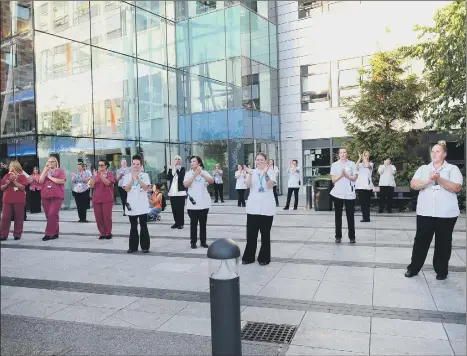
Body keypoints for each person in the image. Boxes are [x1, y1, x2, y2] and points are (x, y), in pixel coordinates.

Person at [405, 141, 463, 280]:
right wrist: (427, 181)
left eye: (438, 151)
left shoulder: (452, 169)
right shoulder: (424, 169)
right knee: (420, 241)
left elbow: (456, 187)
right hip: (425, 212)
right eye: (433, 151)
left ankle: (441, 271)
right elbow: (414, 184)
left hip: (446, 213)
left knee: (443, 242)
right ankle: (413, 268)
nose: (434, 154)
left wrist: (439, 179)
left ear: (444, 154)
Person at [242, 153, 277, 266]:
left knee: (265, 235)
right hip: (253, 207)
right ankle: (249, 257)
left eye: (262, 160)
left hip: (267, 208)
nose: (259, 162)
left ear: (266, 161)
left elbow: (269, 185)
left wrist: (265, 173)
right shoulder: (252, 171)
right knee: (251, 234)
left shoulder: (271, 171)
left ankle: (264, 258)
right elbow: (246, 185)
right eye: (257, 160)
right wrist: (250, 174)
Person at [184, 156, 214, 249]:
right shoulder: (188, 174)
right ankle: (193, 242)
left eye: (194, 161)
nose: (192, 163)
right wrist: (194, 175)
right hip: (192, 204)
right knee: (193, 224)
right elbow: (185, 184)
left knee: (203, 224)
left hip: (204, 203)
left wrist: (201, 173)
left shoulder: (204, 173)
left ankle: (203, 241)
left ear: (199, 163)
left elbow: (211, 181)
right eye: (191, 161)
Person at [123, 154, 151, 253]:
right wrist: (132, 179)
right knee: (133, 226)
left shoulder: (145, 175)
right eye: (134, 164)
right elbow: (126, 188)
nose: (135, 166)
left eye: (137, 164)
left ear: (141, 165)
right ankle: (133, 247)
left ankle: (145, 247)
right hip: (132, 205)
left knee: (143, 225)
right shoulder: (127, 176)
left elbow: (146, 188)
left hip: (142, 205)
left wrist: (138, 179)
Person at [330, 148, 358, 244]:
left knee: (350, 216)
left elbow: (354, 178)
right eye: (341, 152)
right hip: (338, 193)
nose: (342, 154)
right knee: (338, 216)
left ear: (347, 154)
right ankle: (338, 236)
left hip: (349, 193)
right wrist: (341, 175)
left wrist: (347, 175)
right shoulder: (334, 165)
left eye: (344, 152)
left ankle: (352, 237)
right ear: (338, 154)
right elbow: (333, 180)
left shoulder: (352, 164)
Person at [39, 155, 66, 241]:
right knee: (49, 215)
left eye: (52, 161)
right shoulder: (45, 170)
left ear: (56, 162)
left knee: (52, 214)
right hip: (46, 195)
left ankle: (48, 233)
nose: (50, 163)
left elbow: (61, 181)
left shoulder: (60, 171)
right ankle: (55, 232)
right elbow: (40, 181)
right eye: (49, 162)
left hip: (57, 196)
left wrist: (50, 177)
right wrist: (44, 171)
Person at [0, 161, 28, 241]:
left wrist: (14, 181)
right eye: (10, 166)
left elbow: (23, 187)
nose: (10, 167)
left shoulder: (22, 176)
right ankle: (3, 235)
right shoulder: (6, 176)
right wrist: (8, 183)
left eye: (11, 165)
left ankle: (17, 234)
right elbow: (2, 188)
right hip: (7, 200)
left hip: (19, 200)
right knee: (5, 218)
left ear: (16, 166)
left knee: (18, 218)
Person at [90, 159, 115, 240]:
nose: (100, 167)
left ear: (106, 166)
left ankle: (108, 232)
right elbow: (91, 186)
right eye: (99, 165)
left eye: (102, 165)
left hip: (107, 199)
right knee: (98, 217)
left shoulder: (109, 174)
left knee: (107, 217)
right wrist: (93, 177)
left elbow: (108, 183)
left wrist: (101, 176)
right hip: (97, 199)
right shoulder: (96, 175)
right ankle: (102, 233)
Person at [167, 155, 186, 229]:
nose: (177, 160)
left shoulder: (182, 169)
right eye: (176, 159)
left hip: (180, 192)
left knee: (180, 209)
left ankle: (181, 223)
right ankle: (176, 222)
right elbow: (168, 178)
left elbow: (181, 178)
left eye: (179, 159)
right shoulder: (172, 169)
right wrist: (170, 169)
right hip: (172, 192)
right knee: (174, 209)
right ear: (174, 161)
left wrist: (177, 169)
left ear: (180, 161)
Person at [355, 151, 374, 222]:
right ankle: (364, 217)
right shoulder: (360, 165)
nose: (367, 157)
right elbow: (355, 167)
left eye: (368, 155)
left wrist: (364, 158)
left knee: (367, 203)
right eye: (365, 155)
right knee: (362, 203)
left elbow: (367, 165)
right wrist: (360, 158)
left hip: (368, 186)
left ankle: (367, 218)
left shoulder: (371, 164)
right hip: (360, 186)